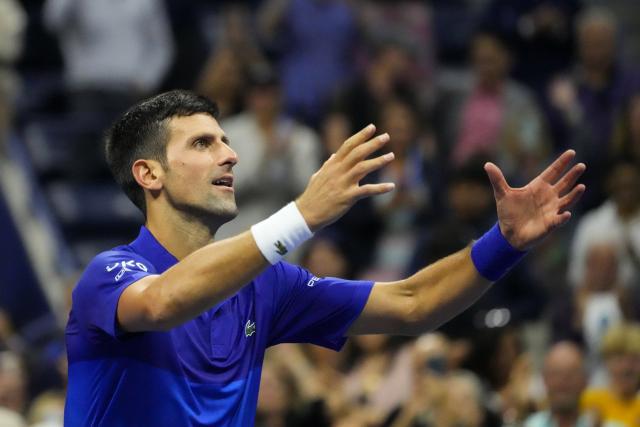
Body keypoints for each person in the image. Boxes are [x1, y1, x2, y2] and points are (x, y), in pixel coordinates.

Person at [64, 90, 586, 425]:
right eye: (203, 143)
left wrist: (505, 243)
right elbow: (162, 304)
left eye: (225, 140)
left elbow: (413, 304)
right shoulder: (110, 274)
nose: (230, 154)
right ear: (149, 175)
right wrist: (301, 217)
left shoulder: (267, 286)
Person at [524, 341, 594, 427]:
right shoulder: (531, 425)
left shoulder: (600, 424)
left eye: (570, 375)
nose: (562, 382)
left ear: (584, 381)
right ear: (544, 379)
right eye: (556, 374)